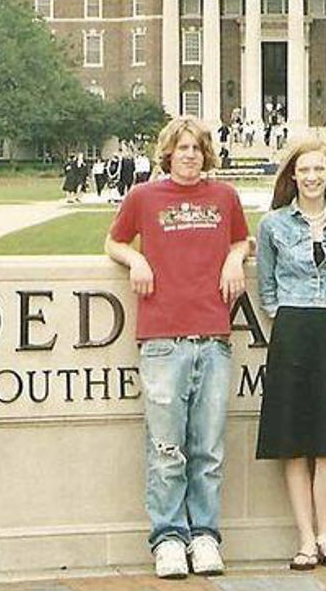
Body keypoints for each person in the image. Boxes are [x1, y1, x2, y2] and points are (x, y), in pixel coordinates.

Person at [105, 116, 250, 579]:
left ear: (207, 154)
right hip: (162, 338)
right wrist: (136, 258)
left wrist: (234, 258)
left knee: (208, 449)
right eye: (182, 148)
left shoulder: (224, 197)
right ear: (168, 153)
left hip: (213, 336)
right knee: (167, 448)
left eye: (196, 148)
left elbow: (242, 239)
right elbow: (113, 241)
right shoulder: (144, 196)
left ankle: (204, 536)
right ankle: (168, 538)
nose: (189, 155)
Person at [255, 140, 326, 572]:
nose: (312, 177)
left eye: (319, 169)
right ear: (293, 176)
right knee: (295, 442)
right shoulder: (273, 224)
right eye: (304, 170)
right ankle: (305, 539)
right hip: (291, 329)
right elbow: (266, 285)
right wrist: (283, 313)